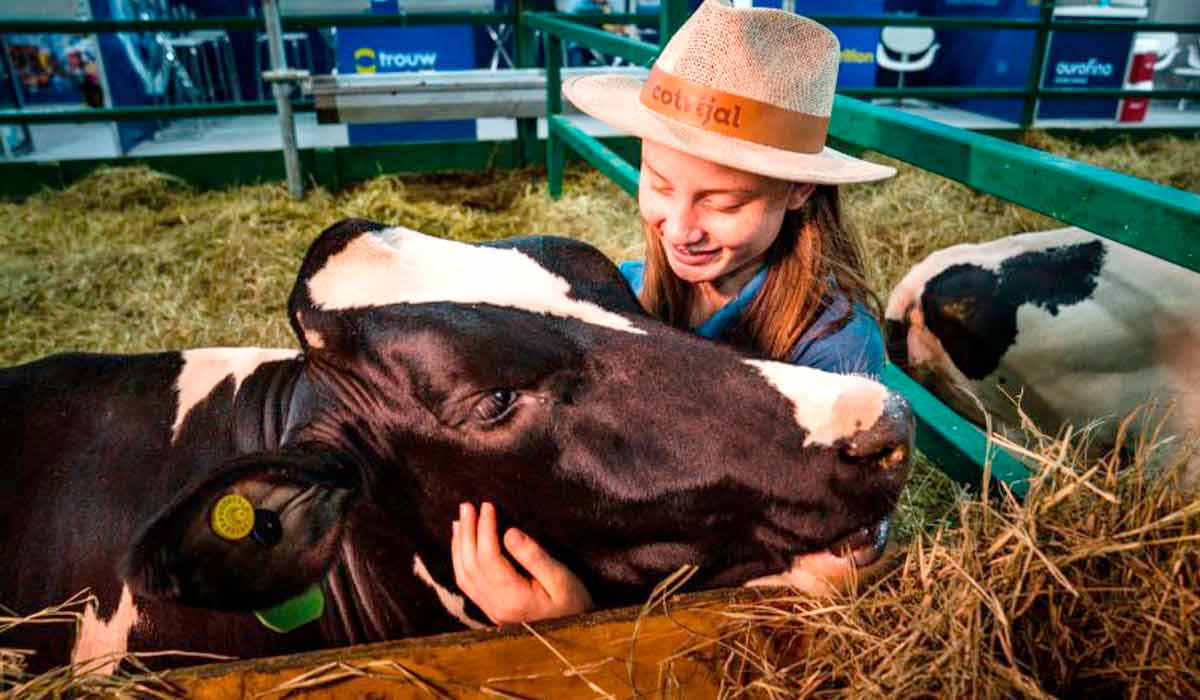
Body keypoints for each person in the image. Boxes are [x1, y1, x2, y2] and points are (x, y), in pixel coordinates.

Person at [449, 0, 897, 626]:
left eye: (722, 203)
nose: (680, 228)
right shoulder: (619, 292)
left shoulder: (831, 348)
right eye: (659, 184)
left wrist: (585, 621)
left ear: (799, 191)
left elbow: (822, 567)